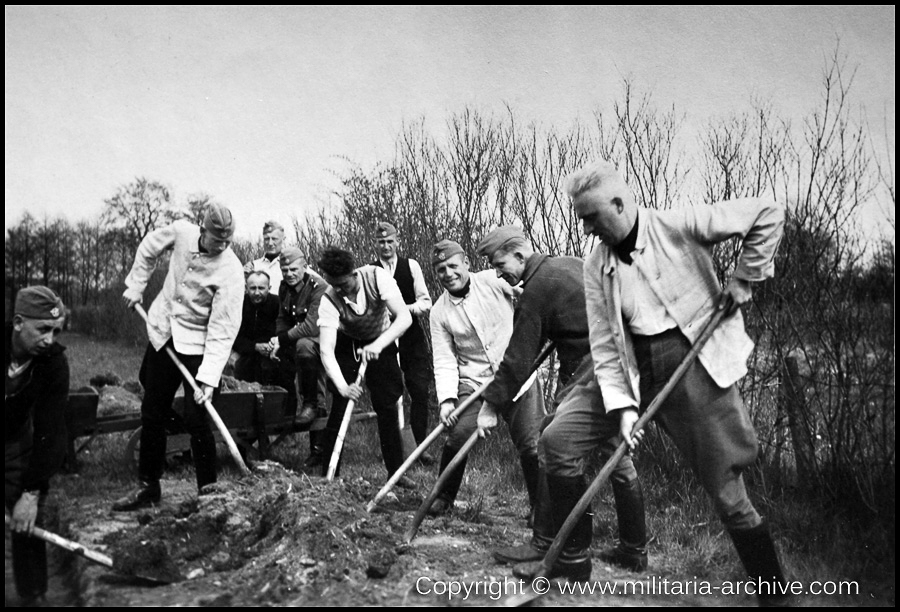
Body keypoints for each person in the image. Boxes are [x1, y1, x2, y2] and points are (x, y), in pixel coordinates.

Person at [565, 159, 789, 604]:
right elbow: (607, 345)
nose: (587, 229)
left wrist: (745, 277)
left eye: (591, 217)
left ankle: (775, 594)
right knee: (559, 437)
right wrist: (624, 409)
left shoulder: (678, 224)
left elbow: (767, 212)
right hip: (635, 373)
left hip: (693, 367)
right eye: (581, 220)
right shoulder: (595, 267)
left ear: (619, 202)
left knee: (726, 491)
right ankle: (561, 554)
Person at [475, 226, 648, 583]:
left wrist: (491, 406)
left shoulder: (537, 289)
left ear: (520, 256)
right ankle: (634, 550)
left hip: (592, 369)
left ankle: (549, 544)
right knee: (618, 455)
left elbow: (517, 359)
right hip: (619, 364)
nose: (497, 273)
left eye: (499, 263)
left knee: (550, 442)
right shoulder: (566, 264)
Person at [113, 204, 244, 511]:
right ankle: (148, 487)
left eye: (227, 241)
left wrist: (209, 378)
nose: (221, 246)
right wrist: (136, 285)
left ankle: (208, 494)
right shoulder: (183, 233)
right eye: (216, 240)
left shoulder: (231, 271)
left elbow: (223, 329)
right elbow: (148, 248)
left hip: (198, 346)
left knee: (199, 419)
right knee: (152, 410)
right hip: (162, 330)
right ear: (202, 229)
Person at [428, 240, 544, 516]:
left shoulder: (494, 280)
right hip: (475, 380)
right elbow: (444, 360)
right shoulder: (439, 312)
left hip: (517, 375)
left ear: (466, 262)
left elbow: (524, 290)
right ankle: (443, 497)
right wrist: (446, 400)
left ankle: (541, 508)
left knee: (532, 443)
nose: (448, 274)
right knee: (458, 435)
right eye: (441, 269)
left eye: (453, 266)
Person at [315, 246, 414, 487]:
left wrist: (378, 346)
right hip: (348, 345)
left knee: (387, 406)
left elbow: (404, 317)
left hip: (382, 338)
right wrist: (343, 386)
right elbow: (326, 350)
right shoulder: (329, 299)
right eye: (333, 284)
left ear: (353, 273)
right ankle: (329, 476)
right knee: (339, 407)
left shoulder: (376, 277)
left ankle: (396, 474)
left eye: (343, 284)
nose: (339, 290)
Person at [5, 286, 69, 606]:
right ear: (18, 322)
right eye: (43, 329)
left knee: (27, 513)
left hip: (14, 438)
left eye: (55, 331)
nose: (50, 339)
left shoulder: (52, 363)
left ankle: (33, 595)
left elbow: (51, 429)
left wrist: (31, 494)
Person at [371, 222, 433, 448]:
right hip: (386, 338)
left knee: (419, 390)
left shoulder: (411, 266)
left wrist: (402, 310)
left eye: (390, 241)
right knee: (390, 393)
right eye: (381, 242)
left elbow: (425, 302)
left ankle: (420, 444)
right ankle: (396, 447)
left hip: (412, 338)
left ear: (398, 242)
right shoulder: (371, 270)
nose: (386, 246)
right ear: (375, 244)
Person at [267, 247, 329, 464]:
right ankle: (288, 418)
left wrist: (283, 339)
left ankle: (318, 449)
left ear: (305, 266)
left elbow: (312, 326)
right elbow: (283, 318)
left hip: (326, 339)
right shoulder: (284, 287)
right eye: (284, 270)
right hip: (301, 343)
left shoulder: (318, 287)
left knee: (305, 351)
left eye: (294, 269)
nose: (289, 274)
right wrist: (277, 341)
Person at [229, 271, 281, 386]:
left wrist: (271, 345)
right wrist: (254, 347)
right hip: (246, 352)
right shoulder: (239, 305)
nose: (257, 293)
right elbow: (233, 335)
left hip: (271, 352)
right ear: (246, 288)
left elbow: (281, 330)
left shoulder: (277, 304)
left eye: (261, 288)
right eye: (253, 288)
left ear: (269, 288)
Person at [244, 220, 286, 289]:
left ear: (283, 240)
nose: (270, 243)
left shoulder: (291, 265)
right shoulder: (253, 266)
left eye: (274, 239)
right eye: (266, 239)